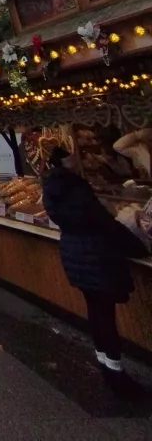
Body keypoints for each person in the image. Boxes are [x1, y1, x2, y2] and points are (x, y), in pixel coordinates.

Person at [42, 145, 148, 392]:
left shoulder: (53, 190)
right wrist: (137, 247)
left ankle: (106, 363)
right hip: (97, 257)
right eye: (73, 156)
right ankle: (116, 374)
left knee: (96, 312)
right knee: (105, 316)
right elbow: (104, 223)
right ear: (67, 162)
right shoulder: (77, 190)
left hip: (75, 255)